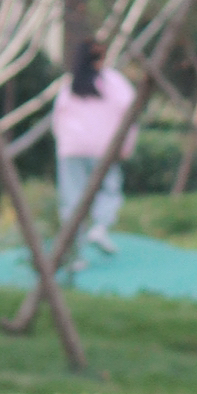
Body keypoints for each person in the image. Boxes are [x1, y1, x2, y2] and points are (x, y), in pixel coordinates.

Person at [51, 38, 136, 254]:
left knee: (72, 197)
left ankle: (74, 251)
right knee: (109, 189)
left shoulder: (70, 84)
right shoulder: (113, 81)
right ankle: (99, 227)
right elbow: (129, 113)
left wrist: (63, 141)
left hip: (72, 147)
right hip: (104, 147)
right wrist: (126, 146)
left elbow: (58, 117)